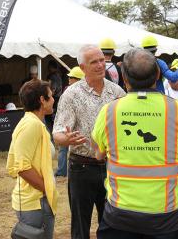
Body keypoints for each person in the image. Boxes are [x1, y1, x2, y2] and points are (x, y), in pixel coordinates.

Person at [91, 48, 178, 238]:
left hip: (120, 214)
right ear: (158, 75)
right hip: (165, 215)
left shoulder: (109, 111)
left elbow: (98, 153)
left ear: (124, 78)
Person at [53, 45, 125, 239]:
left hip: (112, 167)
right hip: (81, 167)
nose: (101, 65)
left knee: (111, 224)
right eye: (94, 62)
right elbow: (57, 133)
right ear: (82, 67)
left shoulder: (117, 93)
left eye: (102, 60)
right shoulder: (71, 94)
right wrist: (66, 139)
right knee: (80, 225)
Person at [7, 79, 58, 239]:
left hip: (36, 201)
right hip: (36, 202)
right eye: (50, 96)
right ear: (42, 100)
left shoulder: (33, 122)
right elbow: (21, 167)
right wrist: (46, 188)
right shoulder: (31, 125)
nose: (54, 99)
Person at [55, 66, 85, 178]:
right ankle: (62, 171)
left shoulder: (79, 93)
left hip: (74, 125)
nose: (69, 79)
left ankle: (64, 171)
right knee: (63, 148)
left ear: (77, 79)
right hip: (67, 124)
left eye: (71, 77)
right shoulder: (68, 90)